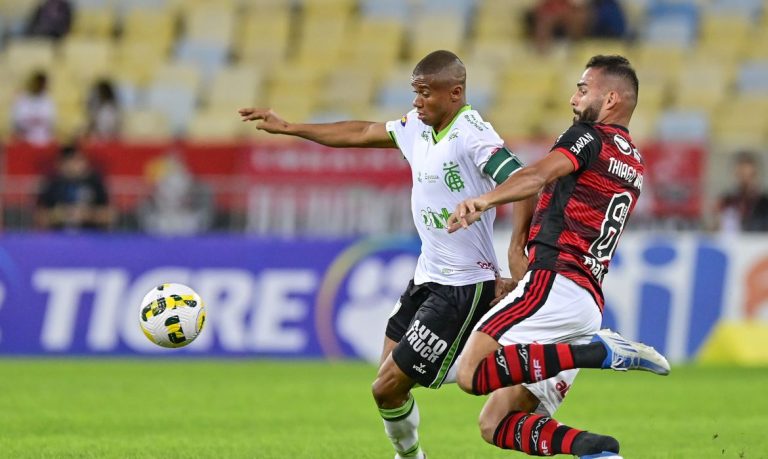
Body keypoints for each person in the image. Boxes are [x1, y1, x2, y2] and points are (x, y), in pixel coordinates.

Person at [240, 50, 527, 459]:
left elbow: (522, 180)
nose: (417, 101)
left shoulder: (473, 134)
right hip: (427, 276)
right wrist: (290, 128)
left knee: (386, 386)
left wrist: (515, 245)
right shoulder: (418, 128)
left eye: (425, 93)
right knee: (388, 389)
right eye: (415, 92)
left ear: (455, 92)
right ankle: (458, 371)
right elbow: (360, 132)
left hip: (462, 285)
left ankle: (505, 362)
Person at [446, 55, 669, 458]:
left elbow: (535, 176)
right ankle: (598, 451)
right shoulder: (633, 161)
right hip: (583, 301)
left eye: (583, 90)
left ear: (612, 98)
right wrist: (519, 248)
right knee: (494, 423)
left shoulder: (588, 137)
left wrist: (483, 200)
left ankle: (601, 352)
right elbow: (555, 199)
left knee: (471, 373)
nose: (573, 99)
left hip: (554, 284)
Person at [36, 144, 112, 231]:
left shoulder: (94, 182)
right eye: (75, 161)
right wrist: (59, 215)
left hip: (90, 237)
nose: (80, 164)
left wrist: (86, 214)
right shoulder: (52, 183)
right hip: (58, 238)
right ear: (63, 163)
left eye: (81, 160)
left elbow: (109, 216)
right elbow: (39, 216)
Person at [716, 150, 768, 232]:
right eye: (740, 174)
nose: (744, 179)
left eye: (747, 175)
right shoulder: (728, 200)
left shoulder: (764, 202)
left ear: (754, 173)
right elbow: (719, 225)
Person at [11, 70, 56, 146]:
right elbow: (16, 121)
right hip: (24, 139)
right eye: (38, 83)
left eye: (42, 84)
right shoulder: (22, 99)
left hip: (43, 139)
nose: (40, 86)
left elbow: (51, 121)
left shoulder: (47, 99)